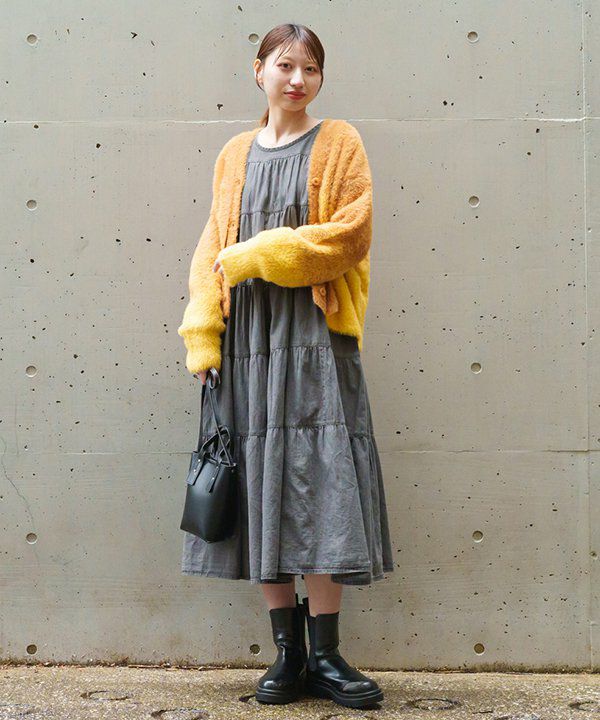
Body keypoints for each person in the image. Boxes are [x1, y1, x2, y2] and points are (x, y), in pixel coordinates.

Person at [177, 22, 394, 710]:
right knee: (258, 484)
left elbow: (350, 236)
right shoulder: (234, 154)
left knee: (322, 484)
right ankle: (287, 654)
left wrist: (260, 254)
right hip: (247, 343)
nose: (297, 79)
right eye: (285, 65)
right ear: (259, 70)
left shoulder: (340, 142)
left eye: (310, 69)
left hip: (316, 339)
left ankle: (326, 654)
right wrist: (202, 336)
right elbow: (211, 249)